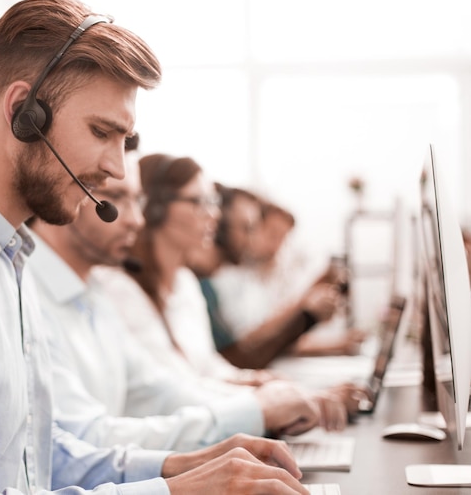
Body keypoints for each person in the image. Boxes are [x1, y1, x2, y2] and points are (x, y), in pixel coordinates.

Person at [0, 0, 310, 494]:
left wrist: (187, 464)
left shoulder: (7, 257)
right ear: (23, 112)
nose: (115, 167)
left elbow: (37, 461)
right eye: (101, 132)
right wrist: (177, 492)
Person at [26, 152, 344, 455]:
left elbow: (165, 390)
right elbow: (85, 444)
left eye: (138, 201)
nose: (136, 220)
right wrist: (256, 407)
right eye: (119, 198)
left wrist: (263, 401)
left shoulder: (94, 293)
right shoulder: (89, 292)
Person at [94, 153, 362, 431]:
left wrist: (266, 384)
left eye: (213, 202)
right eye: (199, 201)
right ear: (155, 209)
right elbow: (176, 391)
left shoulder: (185, 283)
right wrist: (270, 402)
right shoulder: (120, 290)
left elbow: (210, 369)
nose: (214, 214)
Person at [189, 184, 366, 369]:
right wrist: (306, 312)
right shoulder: (212, 282)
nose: (252, 240)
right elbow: (243, 352)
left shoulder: (247, 279)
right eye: (247, 228)